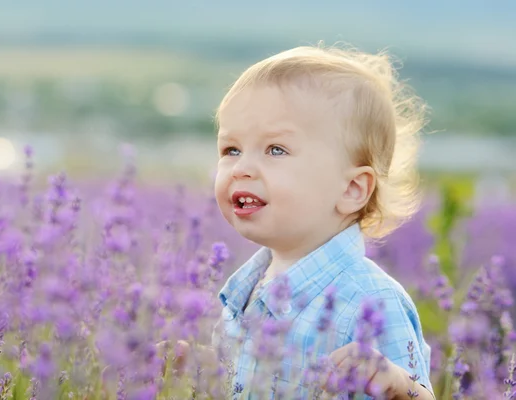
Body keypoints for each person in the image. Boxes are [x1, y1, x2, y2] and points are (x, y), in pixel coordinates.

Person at [168, 43, 435, 399]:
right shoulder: (247, 290)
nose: (242, 168)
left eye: (275, 150)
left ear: (353, 189)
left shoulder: (370, 301)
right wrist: (200, 364)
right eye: (231, 149)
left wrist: (401, 387)